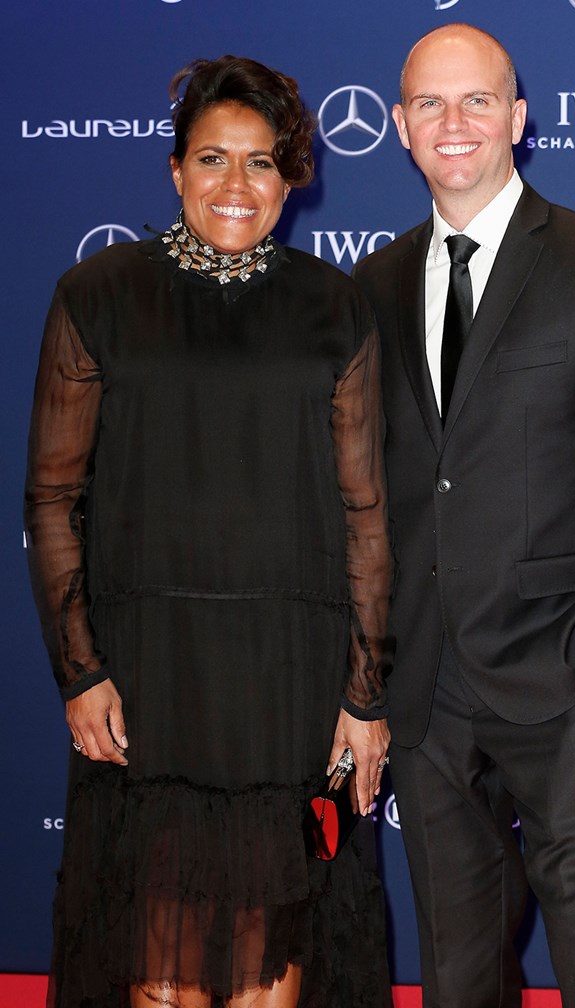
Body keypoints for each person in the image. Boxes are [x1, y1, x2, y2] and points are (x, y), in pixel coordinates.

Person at [25, 55, 393, 1008]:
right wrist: (81, 671)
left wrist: (363, 695)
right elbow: (53, 498)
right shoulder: (97, 295)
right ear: (176, 170)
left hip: (290, 688)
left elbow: (365, 514)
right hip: (148, 681)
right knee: (162, 973)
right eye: (213, 159)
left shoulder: (334, 307)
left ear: (291, 177)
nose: (238, 185)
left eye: (262, 163)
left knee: (273, 970)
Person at [353, 23, 575, 1008]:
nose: (453, 123)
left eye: (477, 100)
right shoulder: (367, 287)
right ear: (403, 128)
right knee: (457, 979)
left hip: (565, 680)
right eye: (429, 104)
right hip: (429, 694)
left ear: (518, 119)